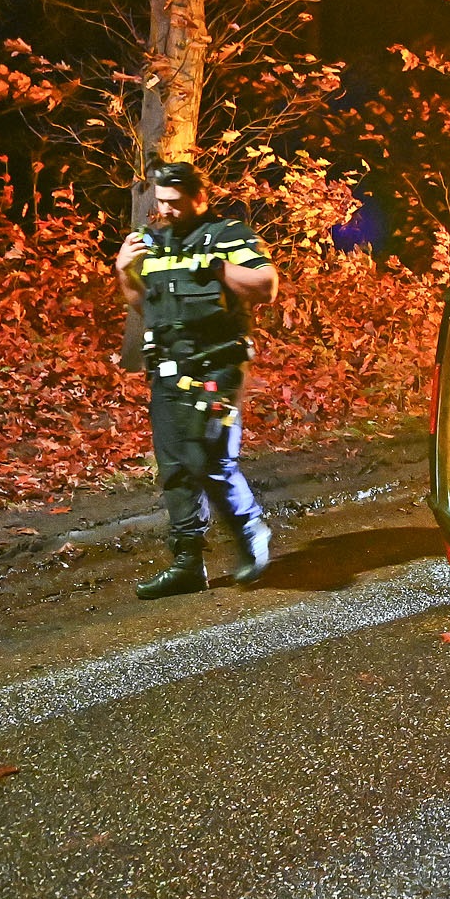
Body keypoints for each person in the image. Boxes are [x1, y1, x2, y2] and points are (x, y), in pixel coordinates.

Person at [113, 162, 281, 598]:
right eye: (159, 202)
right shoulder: (154, 242)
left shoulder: (229, 235)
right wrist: (124, 271)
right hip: (168, 367)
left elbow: (266, 286)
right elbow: (143, 306)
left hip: (217, 367)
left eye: (173, 202)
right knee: (174, 467)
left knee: (206, 456)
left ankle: (250, 535)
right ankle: (188, 563)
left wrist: (219, 269)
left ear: (198, 198)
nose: (164, 210)